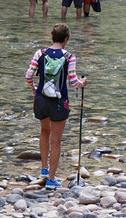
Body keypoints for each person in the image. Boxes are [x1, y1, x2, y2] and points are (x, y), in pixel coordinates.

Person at [25, 22, 87, 189]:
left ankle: (44, 169)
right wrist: (83, 83)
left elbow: (28, 76)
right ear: (66, 39)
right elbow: (73, 82)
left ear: (52, 37)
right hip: (59, 102)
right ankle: (51, 180)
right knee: (56, 141)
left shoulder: (40, 53)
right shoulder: (69, 57)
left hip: (41, 100)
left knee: (44, 131)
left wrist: (35, 91)